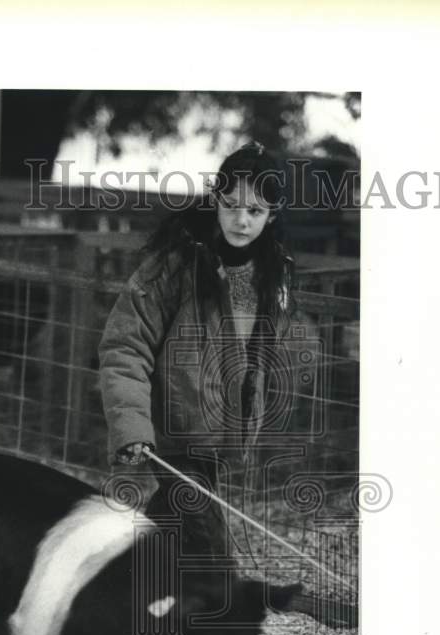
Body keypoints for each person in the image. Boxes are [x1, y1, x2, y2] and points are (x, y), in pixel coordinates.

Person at [98, 141, 294, 558]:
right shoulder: (175, 265)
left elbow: (257, 357)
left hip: (218, 440)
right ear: (216, 201)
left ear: (272, 215)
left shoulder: (273, 273)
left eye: (255, 211)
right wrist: (132, 427)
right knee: (211, 552)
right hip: (168, 437)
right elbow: (124, 346)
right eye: (231, 205)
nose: (241, 220)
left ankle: (129, 598)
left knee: (162, 535)